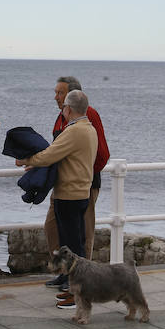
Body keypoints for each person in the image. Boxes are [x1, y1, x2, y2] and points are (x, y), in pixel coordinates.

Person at [16, 89, 97, 309]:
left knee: (71, 248)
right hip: (81, 193)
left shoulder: (74, 131)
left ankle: (78, 295)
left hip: (68, 195)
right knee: (76, 244)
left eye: (64, 108)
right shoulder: (90, 129)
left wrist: (26, 159)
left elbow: (51, 154)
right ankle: (77, 291)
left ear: (68, 109)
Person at [44, 75, 109, 288]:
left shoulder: (88, 116)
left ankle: (82, 280)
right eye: (56, 93)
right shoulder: (61, 117)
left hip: (83, 186)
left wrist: (85, 177)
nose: (56, 97)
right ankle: (65, 271)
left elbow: (101, 154)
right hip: (62, 186)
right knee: (53, 228)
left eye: (60, 93)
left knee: (82, 235)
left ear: (72, 96)